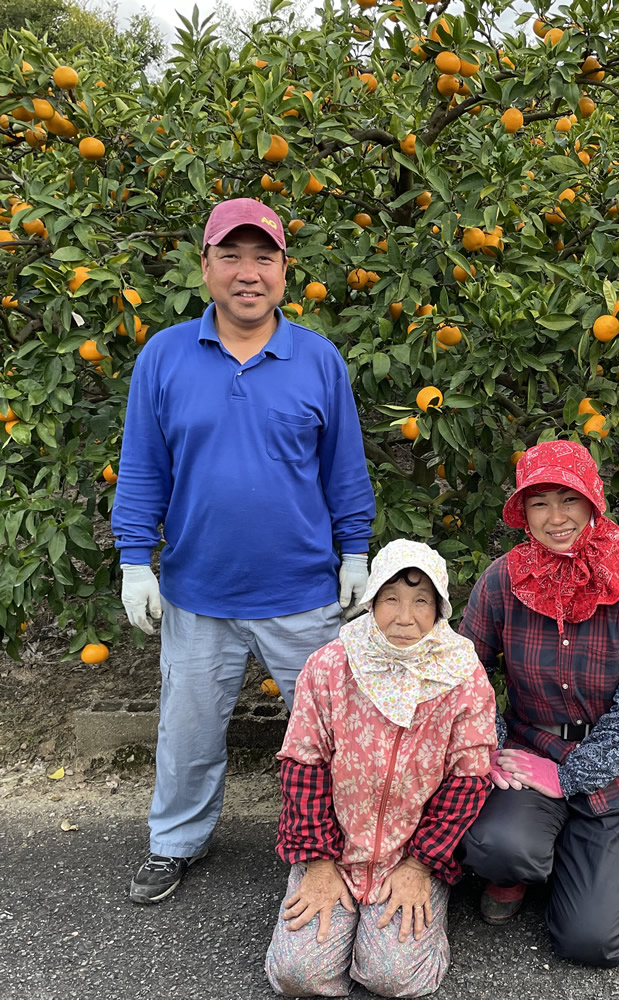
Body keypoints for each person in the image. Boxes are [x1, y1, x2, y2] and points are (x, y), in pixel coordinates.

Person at [111, 197, 376, 905]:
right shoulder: (164, 356)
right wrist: (136, 559)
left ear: (286, 271)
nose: (248, 273)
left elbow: (344, 471)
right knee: (188, 734)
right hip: (199, 593)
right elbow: (142, 467)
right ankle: (175, 842)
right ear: (205, 267)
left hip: (303, 595)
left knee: (329, 738)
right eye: (232, 255)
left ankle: (348, 843)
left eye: (264, 257)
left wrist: (357, 554)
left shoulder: (318, 359)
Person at [457, 440, 619, 968]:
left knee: (595, 942)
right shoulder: (502, 580)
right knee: (495, 846)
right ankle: (523, 862)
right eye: (539, 503)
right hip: (528, 753)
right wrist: (488, 744)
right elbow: (467, 673)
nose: (555, 518)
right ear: (523, 513)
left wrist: (571, 775)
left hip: (617, 773)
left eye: (568, 499)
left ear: (593, 502)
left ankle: (583, 863)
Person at [264, 539, 496, 998]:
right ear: (372, 600)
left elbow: (469, 779)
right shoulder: (332, 665)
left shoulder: (462, 674)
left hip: (408, 856)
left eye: (421, 602)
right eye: (390, 599)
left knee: (394, 978)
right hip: (334, 850)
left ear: (441, 609)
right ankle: (334, 908)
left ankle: (419, 921)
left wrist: (421, 864)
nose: (405, 617)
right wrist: (317, 862)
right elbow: (302, 763)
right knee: (298, 977)